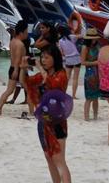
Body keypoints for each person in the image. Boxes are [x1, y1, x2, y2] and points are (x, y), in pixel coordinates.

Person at [27, 45, 70, 182]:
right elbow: (27, 83)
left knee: (59, 160)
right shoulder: (42, 75)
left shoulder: (61, 74)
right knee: (49, 158)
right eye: (42, 57)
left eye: (47, 57)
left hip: (57, 122)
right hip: (43, 121)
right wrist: (22, 68)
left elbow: (53, 85)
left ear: (55, 58)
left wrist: (39, 67)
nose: (43, 60)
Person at [0, 22, 29, 117]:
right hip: (18, 70)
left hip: (12, 68)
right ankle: (32, 111)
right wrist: (17, 71)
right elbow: (18, 59)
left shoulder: (12, 41)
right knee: (29, 91)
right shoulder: (20, 44)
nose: (27, 34)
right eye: (26, 32)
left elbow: (13, 58)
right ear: (21, 33)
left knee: (9, 90)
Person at [80, 28, 101, 121]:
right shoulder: (85, 47)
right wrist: (95, 63)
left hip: (98, 73)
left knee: (96, 97)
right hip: (90, 74)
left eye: (96, 38)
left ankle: (95, 116)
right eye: (94, 38)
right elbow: (83, 62)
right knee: (89, 97)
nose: (95, 40)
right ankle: (86, 117)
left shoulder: (97, 46)